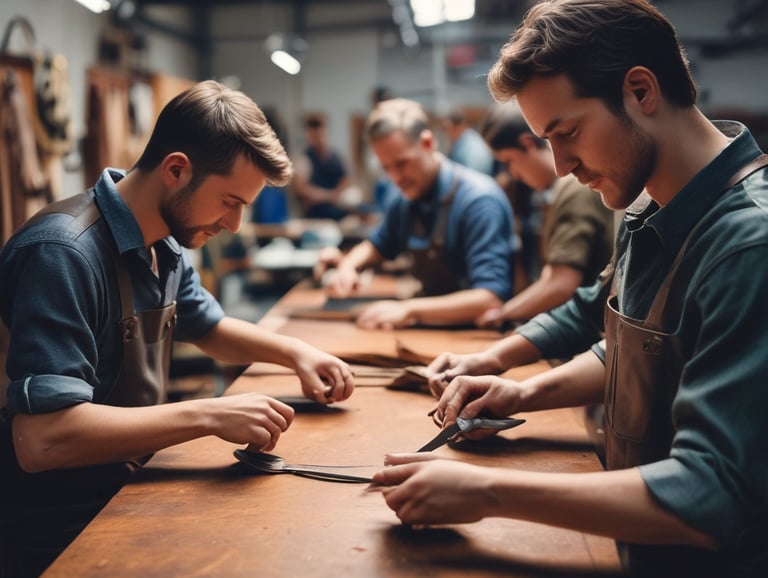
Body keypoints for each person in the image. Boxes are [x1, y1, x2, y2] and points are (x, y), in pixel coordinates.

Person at [370, 1, 768, 576]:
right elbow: (630, 346)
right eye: (545, 140)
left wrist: (487, 492)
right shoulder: (650, 206)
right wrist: (518, 392)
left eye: (568, 132)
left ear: (640, 91)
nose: (558, 167)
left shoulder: (748, 245)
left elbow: (714, 493)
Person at [0, 80, 355, 577]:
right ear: (176, 170)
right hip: (57, 526)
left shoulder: (162, 242)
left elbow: (206, 324)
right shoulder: (62, 255)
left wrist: (296, 352)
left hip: (123, 487)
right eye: (229, 201)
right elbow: (41, 440)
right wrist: (208, 415)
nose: (233, 224)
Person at [317, 97, 516, 330]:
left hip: (476, 337)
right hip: (430, 329)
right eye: (386, 168)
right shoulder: (404, 199)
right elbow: (378, 245)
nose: (395, 178)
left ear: (428, 143)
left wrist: (409, 309)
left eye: (401, 164)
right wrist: (348, 266)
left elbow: (489, 298)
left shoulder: (480, 201)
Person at [475, 102, 615, 328]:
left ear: (528, 143)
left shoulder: (573, 188)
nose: (513, 173)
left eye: (509, 161)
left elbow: (561, 283)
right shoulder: (563, 189)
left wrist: (502, 313)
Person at [292, 112, 351, 221]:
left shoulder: (337, 158)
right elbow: (302, 190)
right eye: (313, 132)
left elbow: (345, 183)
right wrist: (331, 196)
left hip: (338, 216)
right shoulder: (304, 160)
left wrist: (324, 196)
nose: (318, 136)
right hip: (314, 218)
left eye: (320, 130)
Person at [441, 109, 496, 177]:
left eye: (449, 128)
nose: (448, 133)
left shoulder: (466, 145)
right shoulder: (472, 140)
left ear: (463, 125)